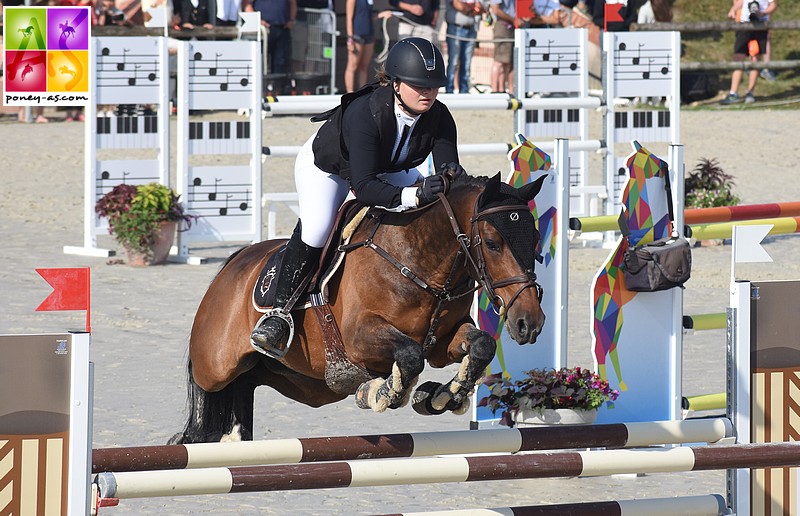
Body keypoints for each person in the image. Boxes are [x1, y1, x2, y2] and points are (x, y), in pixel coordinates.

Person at [250, 37, 466, 358]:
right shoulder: (366, 113)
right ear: (394, 83)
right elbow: (364, 187)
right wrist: (415, 193)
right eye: (419, 85)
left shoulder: (439, 115)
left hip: (388, 168)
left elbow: (450, 167)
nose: (428, 93)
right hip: (330, 168)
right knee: (318, 228)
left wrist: (448, 181)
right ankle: (278, 315)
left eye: (434, 86)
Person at [720, 0, 777, 105]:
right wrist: (733, 10)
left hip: (760, 25)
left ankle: (750, 92)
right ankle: (733, 93)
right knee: (738, 58)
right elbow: (741, 2)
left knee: (755, 58)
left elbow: (773, 4)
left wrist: (763, 13)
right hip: (744, 24)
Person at [243, 0, 297, 74]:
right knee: (259, 61)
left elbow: (293, 3)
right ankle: (260, 84)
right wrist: (257, 21)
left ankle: (278, 84)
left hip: (282, 28)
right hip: (262, 30)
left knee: (281, 62)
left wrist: (292, 19)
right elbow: (247, 4)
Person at [444, 0, 482, 93]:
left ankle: (464, 90)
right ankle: (449, 90)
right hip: (455, 29)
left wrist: (468, 7)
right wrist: (472, 7)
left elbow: (480, 8)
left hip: (471, 30)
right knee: (453, 62)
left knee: (466, 63)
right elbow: (460, 7)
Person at [344, 0, 375, 92]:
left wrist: (380, 15)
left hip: (369, 33)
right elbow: (349, 18)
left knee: (364, 65)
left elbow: (367, 16)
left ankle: (362, 92)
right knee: (353, 65)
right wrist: (350, 38)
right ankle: (349, 93)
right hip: (357, 34)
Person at [490, 0, 517, 93]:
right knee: (498, 61)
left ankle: (501, 90)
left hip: (511, 27)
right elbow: (496, 10)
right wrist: (513, 19)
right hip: (503, 26)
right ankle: (494, 90)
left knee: (506, 62)